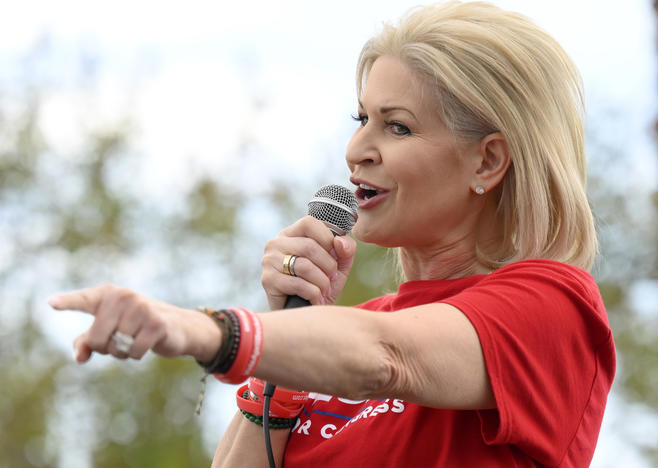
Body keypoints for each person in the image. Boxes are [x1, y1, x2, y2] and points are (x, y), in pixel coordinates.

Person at [49, 2, 616, 467]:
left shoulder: (552, 308)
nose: (356, 151)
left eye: (397, 126)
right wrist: (288, 338)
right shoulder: (354, 324)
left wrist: (202, 330)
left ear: (487, 162)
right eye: (360, 119)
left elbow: (389, 358)